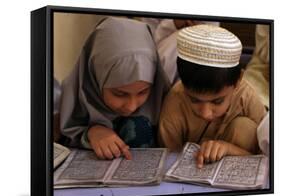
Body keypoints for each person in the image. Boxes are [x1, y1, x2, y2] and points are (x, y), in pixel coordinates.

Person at [60, 17, 170, 160]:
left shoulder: (166, 102)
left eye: (143, 92)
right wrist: (92, 132)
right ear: (95, 77)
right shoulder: (69, 100)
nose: (131, 107)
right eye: (120, 94)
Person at [158, 24, 266, 168]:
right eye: (194, 100)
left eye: (217, 101)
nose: (206, 113)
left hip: (237, 171)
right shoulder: (175, 101)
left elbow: (267, 156)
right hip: (190, 177)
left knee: (244, 128)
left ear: (238, 80)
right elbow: (169, 160)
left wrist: (229, 149)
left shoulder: (246, 96)